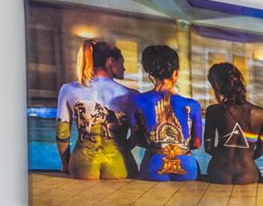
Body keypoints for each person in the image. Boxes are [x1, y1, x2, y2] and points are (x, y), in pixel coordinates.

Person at [55, 39, 135, 180]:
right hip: (119, 165)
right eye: (122, 63)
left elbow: (62, 134)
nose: (124, 68)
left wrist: (65, 164)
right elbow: (138, 136)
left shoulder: (68, 90)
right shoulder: (130, 95)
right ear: (111, 62)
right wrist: (123, 149)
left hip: (82, 164)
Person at [132, 43, 203, 182]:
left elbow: (137, 139)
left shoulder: (137, 101)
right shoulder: (192, 105)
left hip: (153, 166)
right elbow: (197, 143)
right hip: (187, 166)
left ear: (150, 73)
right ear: (176, 73)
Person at [203, 61, 263, 186]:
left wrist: (223, 156)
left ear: (219, 86)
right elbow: (260, 151)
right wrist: (246, 157)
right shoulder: (261, 114)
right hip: (248, 174)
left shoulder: (213, 111)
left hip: (218, 172)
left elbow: (208, 148)